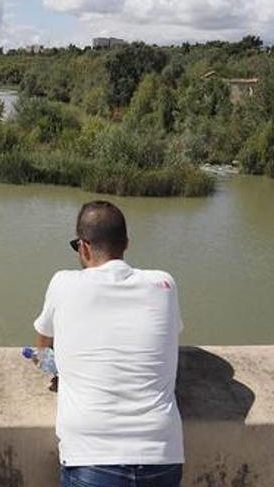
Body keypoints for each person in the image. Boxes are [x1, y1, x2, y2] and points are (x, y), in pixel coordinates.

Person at [33, 200, 184, 487]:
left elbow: (41, 354)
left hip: (91, 456)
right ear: (126, 244)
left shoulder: (63, 283)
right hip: (162, 454)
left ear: (84, 247)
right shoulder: (164, 284)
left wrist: (60, 370)